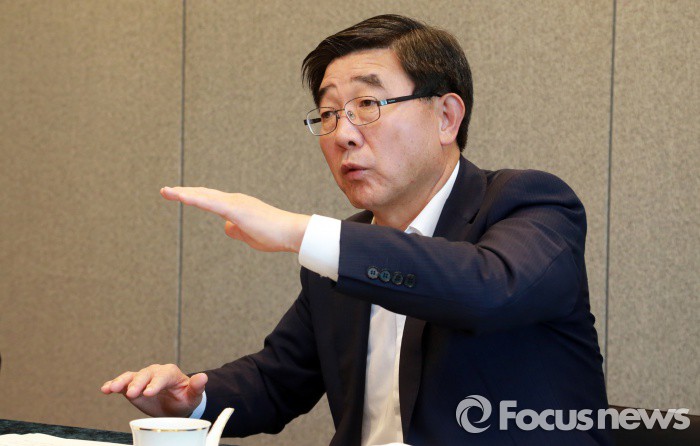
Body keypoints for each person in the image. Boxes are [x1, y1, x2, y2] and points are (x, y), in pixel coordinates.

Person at [102, 14, 611, 445]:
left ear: (446, 117)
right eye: (328, 113)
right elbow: (278, 379)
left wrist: (298, 232)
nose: (343, 134)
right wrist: (193, 399)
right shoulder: (341, 250)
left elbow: (487, 290)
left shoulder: (531, 204)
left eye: (368, 105)